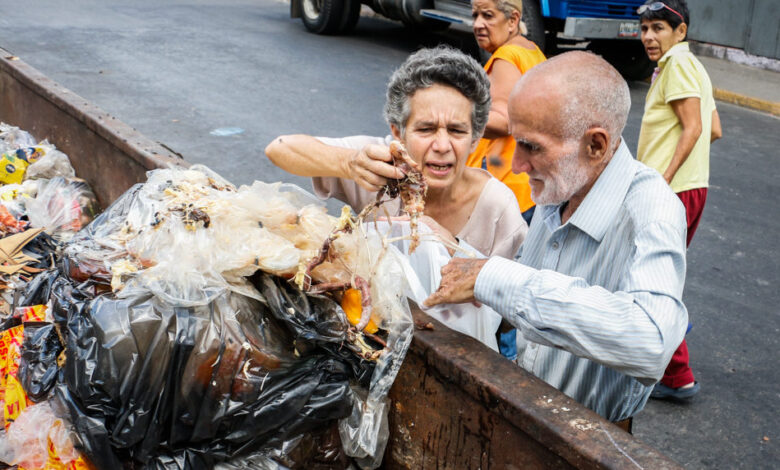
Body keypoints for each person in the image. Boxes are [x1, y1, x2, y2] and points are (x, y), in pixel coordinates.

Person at [425, 51, 689, 429]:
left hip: (589, 438)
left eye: (531, 147)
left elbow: (651, 339)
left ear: (595, 145)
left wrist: (491, 278)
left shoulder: (652, 209)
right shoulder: (562, 187)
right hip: (526, 412)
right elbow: (527, 285)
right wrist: (454, 253)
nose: (517, 164)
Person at [265, 45, 527, 262]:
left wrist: (456, 249)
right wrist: (348, 163)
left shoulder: (497, 206)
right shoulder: (379, 165)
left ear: (475, 139)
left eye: (457, 131)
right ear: (398, 132)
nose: (442, 145)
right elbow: (279, 147)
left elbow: (515, 303)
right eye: (426, 129)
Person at [636, 0, 722, 401]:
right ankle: (671, 357)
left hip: (674, 190)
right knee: (655, 273)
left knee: (652, 277)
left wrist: (663, 179)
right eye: (645, 28)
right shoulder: (689, 67)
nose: (650, 37)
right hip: (688, 188)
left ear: (680, 31)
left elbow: (695, 127)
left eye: (659, 28)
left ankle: (677, 375)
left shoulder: (680, 66)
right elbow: (714, 130)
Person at [469, 0, 546, 225]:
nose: (478, 24)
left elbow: (503, 121)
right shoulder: (531, 51)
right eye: (475, 16)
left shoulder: (506, 57)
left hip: (504, 185)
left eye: (488, 16)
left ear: (512, 20)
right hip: (527, 184)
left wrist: (457, 115)